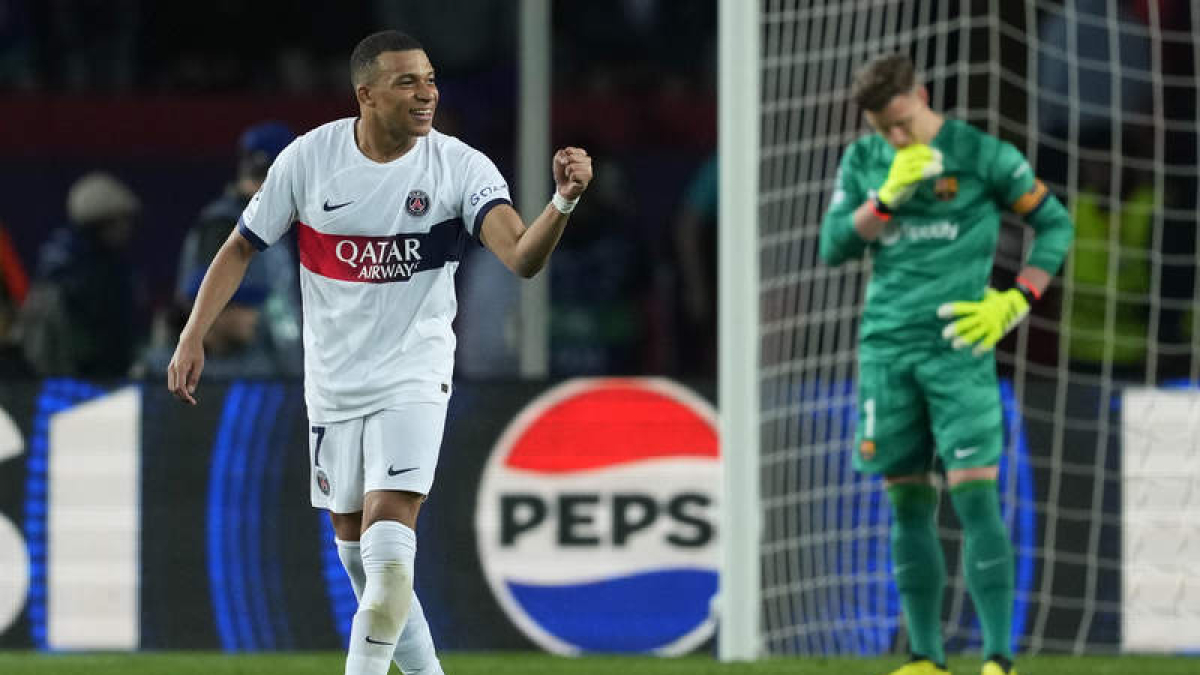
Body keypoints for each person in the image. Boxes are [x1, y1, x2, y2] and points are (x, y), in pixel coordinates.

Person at [166, 30, 592, 675]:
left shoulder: (459, 166)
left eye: (429, 80)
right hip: (333, 383)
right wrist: (193, 333)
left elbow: (522, 258)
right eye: (407, 83)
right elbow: (240, 245)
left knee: (390, 552)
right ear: (365, 94)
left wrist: (563, 201)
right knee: (360, 562)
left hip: (413, 376)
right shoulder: (310, 159)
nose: (426, 94)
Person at [819, 54, 1074, 675]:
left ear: (922, 94)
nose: (896, 137)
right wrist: (884, 198)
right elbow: (833, 248)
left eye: (903, 122)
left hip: (960, 349)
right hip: (887, 350)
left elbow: (1055, 225)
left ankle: (996, 659)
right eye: (884, 129)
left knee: (975, 497)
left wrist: (1017, 299)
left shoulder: (981, 153)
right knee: (907, 502)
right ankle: (925, 658)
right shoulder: (865, 161)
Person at [173, 120, 303, 377]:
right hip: (234, 376)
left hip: (272, 370)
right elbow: (204, 309)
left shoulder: (272, 217)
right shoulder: (223, 225)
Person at [18, 171, 146, 377]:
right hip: (77, 382)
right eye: (120, 221)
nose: (126, 229)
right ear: (100, 224)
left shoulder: (115, 267)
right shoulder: (72, 271)